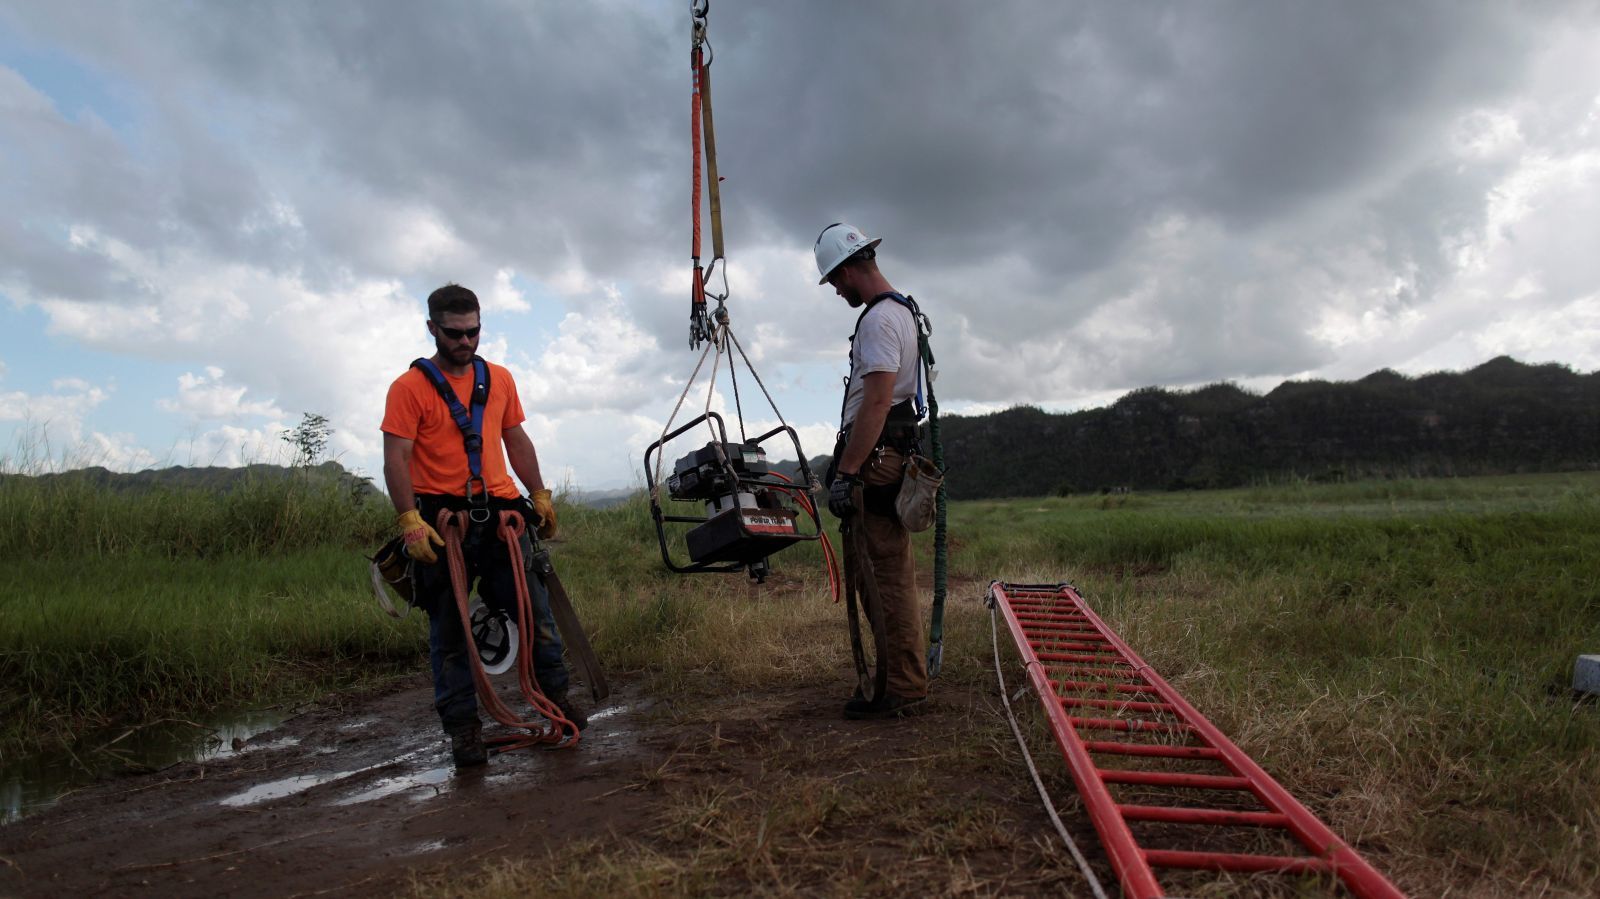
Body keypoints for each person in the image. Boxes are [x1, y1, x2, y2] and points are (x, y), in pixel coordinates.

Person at [381, 283, 584, 768]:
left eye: (473, 332)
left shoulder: (499, 379)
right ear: (432, 328)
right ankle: (464, 733)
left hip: (501, 519)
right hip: (442, 522)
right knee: (450, 635)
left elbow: (516, 439)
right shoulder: (408, 389)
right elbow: (396, 458)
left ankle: (558, 707)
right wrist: (410, 520)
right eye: (454, 333)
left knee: (538, 618)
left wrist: (539, 494)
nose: (465, 342)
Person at [814, 222, 929, 720]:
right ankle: (895, 682)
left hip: (878, 461)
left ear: (849, 269)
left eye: (836, 282)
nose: (837, 291)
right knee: (878, 575)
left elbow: (878, 401)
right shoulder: (903, 312)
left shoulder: (881, 321)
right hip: (887, 457)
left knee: (883, 578)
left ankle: (903, 689)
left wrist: (848, 472)